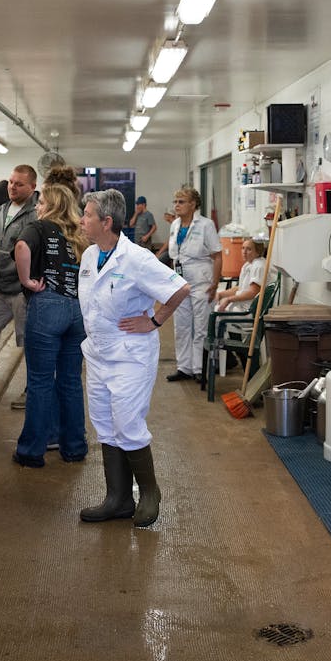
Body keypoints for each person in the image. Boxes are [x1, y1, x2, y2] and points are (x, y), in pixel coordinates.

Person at [77, 189, 191, 528]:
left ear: (106, 222)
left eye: (87, 215)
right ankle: (118, 498)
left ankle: (150, 492)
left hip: (130, 355)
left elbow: (180, 289)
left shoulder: (136, 258)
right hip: (98, 354)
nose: (82, 220)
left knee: (128, 423)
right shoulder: (88, 256)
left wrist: (154, 320)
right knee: (105, 424)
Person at [11, 176, 90, 468]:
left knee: (41, 382)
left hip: (48, 305)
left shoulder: (38, 227)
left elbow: (21, 248)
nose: (38, 206)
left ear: (51, 205)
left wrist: (27, 281)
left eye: (41, 202)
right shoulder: (80, 236)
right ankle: (74, 447)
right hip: (77, 310)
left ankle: (32, 451)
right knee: (70, 381)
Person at [0, 165, 39, 409]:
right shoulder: (3, 208)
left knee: (29, 342)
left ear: (33, 188)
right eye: (11, 182)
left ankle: (31, 389)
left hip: (21, 288)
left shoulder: (36, 214)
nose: (12, 187)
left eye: (19, 184)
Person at [164, 187, 222, 383]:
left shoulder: (206, 225)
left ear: (193, 204)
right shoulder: (175, 225)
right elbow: (174, 254)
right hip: (179, 282)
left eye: (181, 202)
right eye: (175, 202)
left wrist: (215, 284)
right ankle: (184, 367)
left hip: (201, 281)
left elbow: (217, 255)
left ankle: (200, 368)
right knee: (181, 326)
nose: (177, 205)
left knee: (201, 327)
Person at [214, 236, 267, 312]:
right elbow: (239, 288)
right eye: (243, 248)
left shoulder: (259, 266)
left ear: (258, 251)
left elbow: (253, 292)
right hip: (242, 306)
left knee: (213, 312)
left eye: (249, 249)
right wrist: (220, 294)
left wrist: (229, 299)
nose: (244, 252)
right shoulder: (248, 265)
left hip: (249, 310)